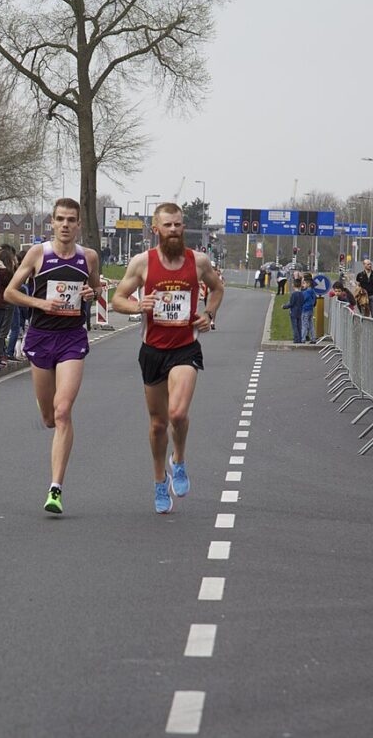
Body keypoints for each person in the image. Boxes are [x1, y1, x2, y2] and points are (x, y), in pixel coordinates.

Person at [112, 203, 224, 514]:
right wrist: (138, 306)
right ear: (156, 230)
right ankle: (160, 480)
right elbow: (117, 299)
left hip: (185, 346)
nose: (173, 230)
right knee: (159, 423)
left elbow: (216, 289)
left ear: (183, 227)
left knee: (177, 413)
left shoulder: (198, 261)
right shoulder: (142, 263)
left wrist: (209, 314)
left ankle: (180, 460)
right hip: (153, 350)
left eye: (178, 225)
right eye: (168, 226)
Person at [4, 198, 102, 514]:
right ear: (52, 222)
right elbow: (10, 292)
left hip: (72, 338)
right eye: (60, 219)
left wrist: (91, 294)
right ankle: (46, 405)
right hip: (41, 336)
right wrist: (40, 304)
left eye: (71, 220)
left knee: (63, 412)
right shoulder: (38, 254)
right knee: (49, 417)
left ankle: (55, 488)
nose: (65, 225)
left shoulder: (89, 257)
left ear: (78, 225)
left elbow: (96, 290)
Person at [282, 279, 304, 343]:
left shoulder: (293, 294)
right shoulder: (302, 294)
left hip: (294, 312)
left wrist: (284, 306)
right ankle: (300, 339)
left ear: (293, 285)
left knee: (294, 326)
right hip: (300, 312)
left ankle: (296, 339)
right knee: (299, 326)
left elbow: (291, 304)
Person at [300, 276, 317, 343]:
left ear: (308, 284)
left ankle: (303, 338)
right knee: (311, 325)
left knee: (304, 324)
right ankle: (313, 338)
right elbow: (314, 300)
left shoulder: (306, 292)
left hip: (305, 310)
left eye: (304, 283)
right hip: (311, 310)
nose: (303, 285)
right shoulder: (313, 292)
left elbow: (302, 300)